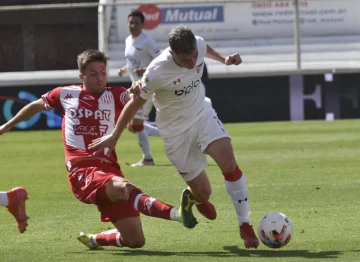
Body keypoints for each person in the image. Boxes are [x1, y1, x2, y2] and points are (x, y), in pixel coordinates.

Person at [0, 49, 197, 249]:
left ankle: (94, 239)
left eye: (103, 72)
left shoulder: (116, 94)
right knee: (125, 187)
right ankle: (177, 213)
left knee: (135, 240)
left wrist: (139, 89)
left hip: (110, 169)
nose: (100, 78)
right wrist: (7, 125)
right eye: (93, 74)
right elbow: (35, 106)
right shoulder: (65, 94)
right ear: (81, 76)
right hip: (82, 170)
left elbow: (133, 98)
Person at [89, 26, 260, 249]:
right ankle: (194, 197)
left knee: (229, 163)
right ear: (172, 53)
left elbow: (203, 46)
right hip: (175, 132)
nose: (192, 63)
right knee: (204, 191)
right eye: (186, 60)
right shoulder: (157, 72)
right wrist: (114, 135)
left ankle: (245, 224)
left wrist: (224, 59)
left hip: (202, 114)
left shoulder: (196, 44)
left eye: (194, 57)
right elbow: (134, 103)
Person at [117, 10, 161, 167]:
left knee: (136, 124)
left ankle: (148, 159)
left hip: (147, 87)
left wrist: (146, 69)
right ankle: (175, 135)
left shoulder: (147, 41)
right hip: (135, 87)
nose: (133, 25)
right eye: (131, 22)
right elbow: (132, 61)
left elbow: (161, 62)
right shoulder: (128, 40)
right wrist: (124, 69)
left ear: (143, 25)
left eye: (136, 23)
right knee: (132, 126)